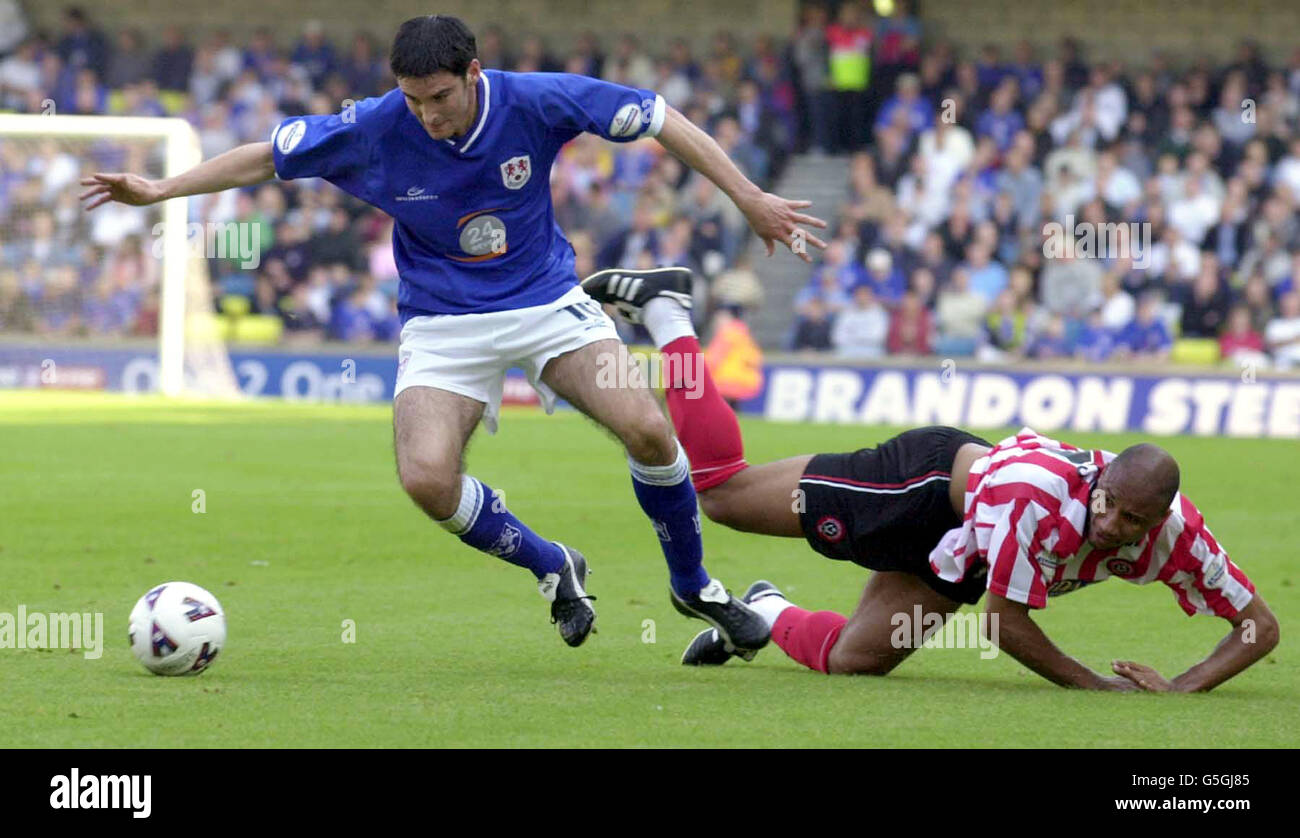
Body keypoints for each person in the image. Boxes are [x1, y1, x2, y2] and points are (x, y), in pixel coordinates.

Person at [81, 16, 827, 653]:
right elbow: (267, 157)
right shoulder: (376, 125)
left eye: (439, 98)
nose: (429, 116)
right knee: (426, 480)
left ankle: (695, 586)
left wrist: (750, 197)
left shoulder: (536, 99)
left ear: (472, 73)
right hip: (441, 322)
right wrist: (160, 188)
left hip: (545, 302)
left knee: (649, 432)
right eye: (415, 100)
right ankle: (553, 565)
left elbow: (661, 117)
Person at [582, 267, 1279, 692]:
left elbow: (1260, 628)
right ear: (1098, 485)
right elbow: (1005, 627)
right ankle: (672, 317)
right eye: (1107, 507)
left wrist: (1180, 689)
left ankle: (762, 612)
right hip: (922, 486)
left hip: (968, 546)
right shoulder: (1039, 497)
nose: (1110, 528)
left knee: (856, 661)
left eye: (1131, 523)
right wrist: (1097, 686)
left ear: (1158, 522)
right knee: (721, 495)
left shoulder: (1177, 538)